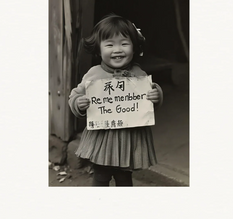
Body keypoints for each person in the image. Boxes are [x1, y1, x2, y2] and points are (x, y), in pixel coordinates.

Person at [68, 13, 163, 186]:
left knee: (124, 178)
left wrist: (155, 95)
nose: (117, 49)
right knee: (100, 177)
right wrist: (79, 103)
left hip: (129, 139)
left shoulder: (138, 74)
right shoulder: (93, 74)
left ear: (134, 48)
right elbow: (75, 95)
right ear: (98, 49)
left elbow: (146, 102)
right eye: (110, 44)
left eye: (124, 44)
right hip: (103, 139)